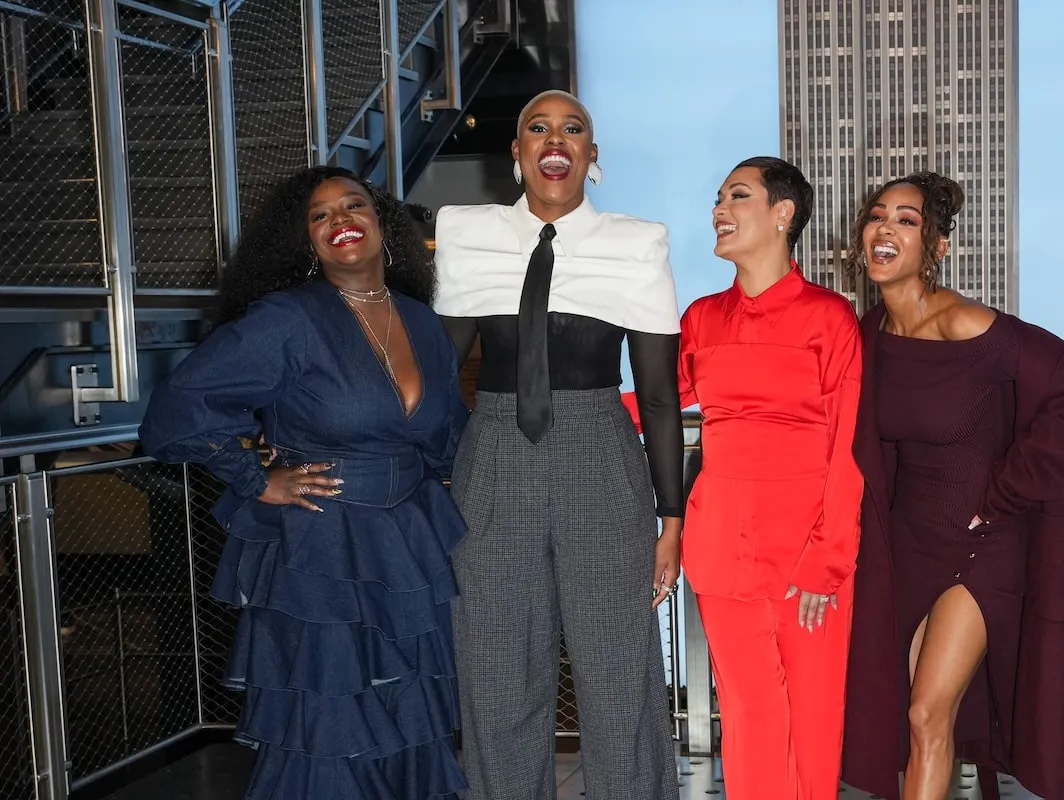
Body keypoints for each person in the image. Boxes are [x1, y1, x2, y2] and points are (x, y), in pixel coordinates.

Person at [139, 166, 469, 799]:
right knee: (328, 723)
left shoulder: (423, 323)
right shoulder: (286, 318)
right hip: (321, 549)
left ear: (382, 225)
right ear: (305, 241)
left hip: (407, 546)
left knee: (411, 719)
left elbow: (447, 437)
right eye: (320, 216)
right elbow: (179, 409)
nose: (340, 220)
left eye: (354, 205)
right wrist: (255, 476)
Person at [433, 89, 683, 800]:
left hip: (601, 456)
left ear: (591, 157)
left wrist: (673, 518)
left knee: (617, 672)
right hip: (494, 460)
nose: (556, 137)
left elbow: (660, 397)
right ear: (517, 154)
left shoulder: (638, 243)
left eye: (573, 128)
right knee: (496, 670)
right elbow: (438, 372)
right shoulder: (467, 233)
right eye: (537, 127)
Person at [840, 172, 1064, 800]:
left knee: (926, 713)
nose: (884, 228)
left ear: (935, 248)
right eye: (877, 216)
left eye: (906, 220)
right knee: (917, 724)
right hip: (905, 546)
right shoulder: (869, 336)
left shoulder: (970, 327)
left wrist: (1004, 493)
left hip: (981, 543)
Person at [626, 157, 863, 799]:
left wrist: (828, 559)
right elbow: (656, 406)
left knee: (811, 724)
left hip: (808, 556)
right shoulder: (702, 318)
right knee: (749, 718)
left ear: (783, 214)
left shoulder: (830, 319)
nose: (719, 210)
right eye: (718, 197)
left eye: (737, 196)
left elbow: (848, 449)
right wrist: (574, 404)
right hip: (721, 545)